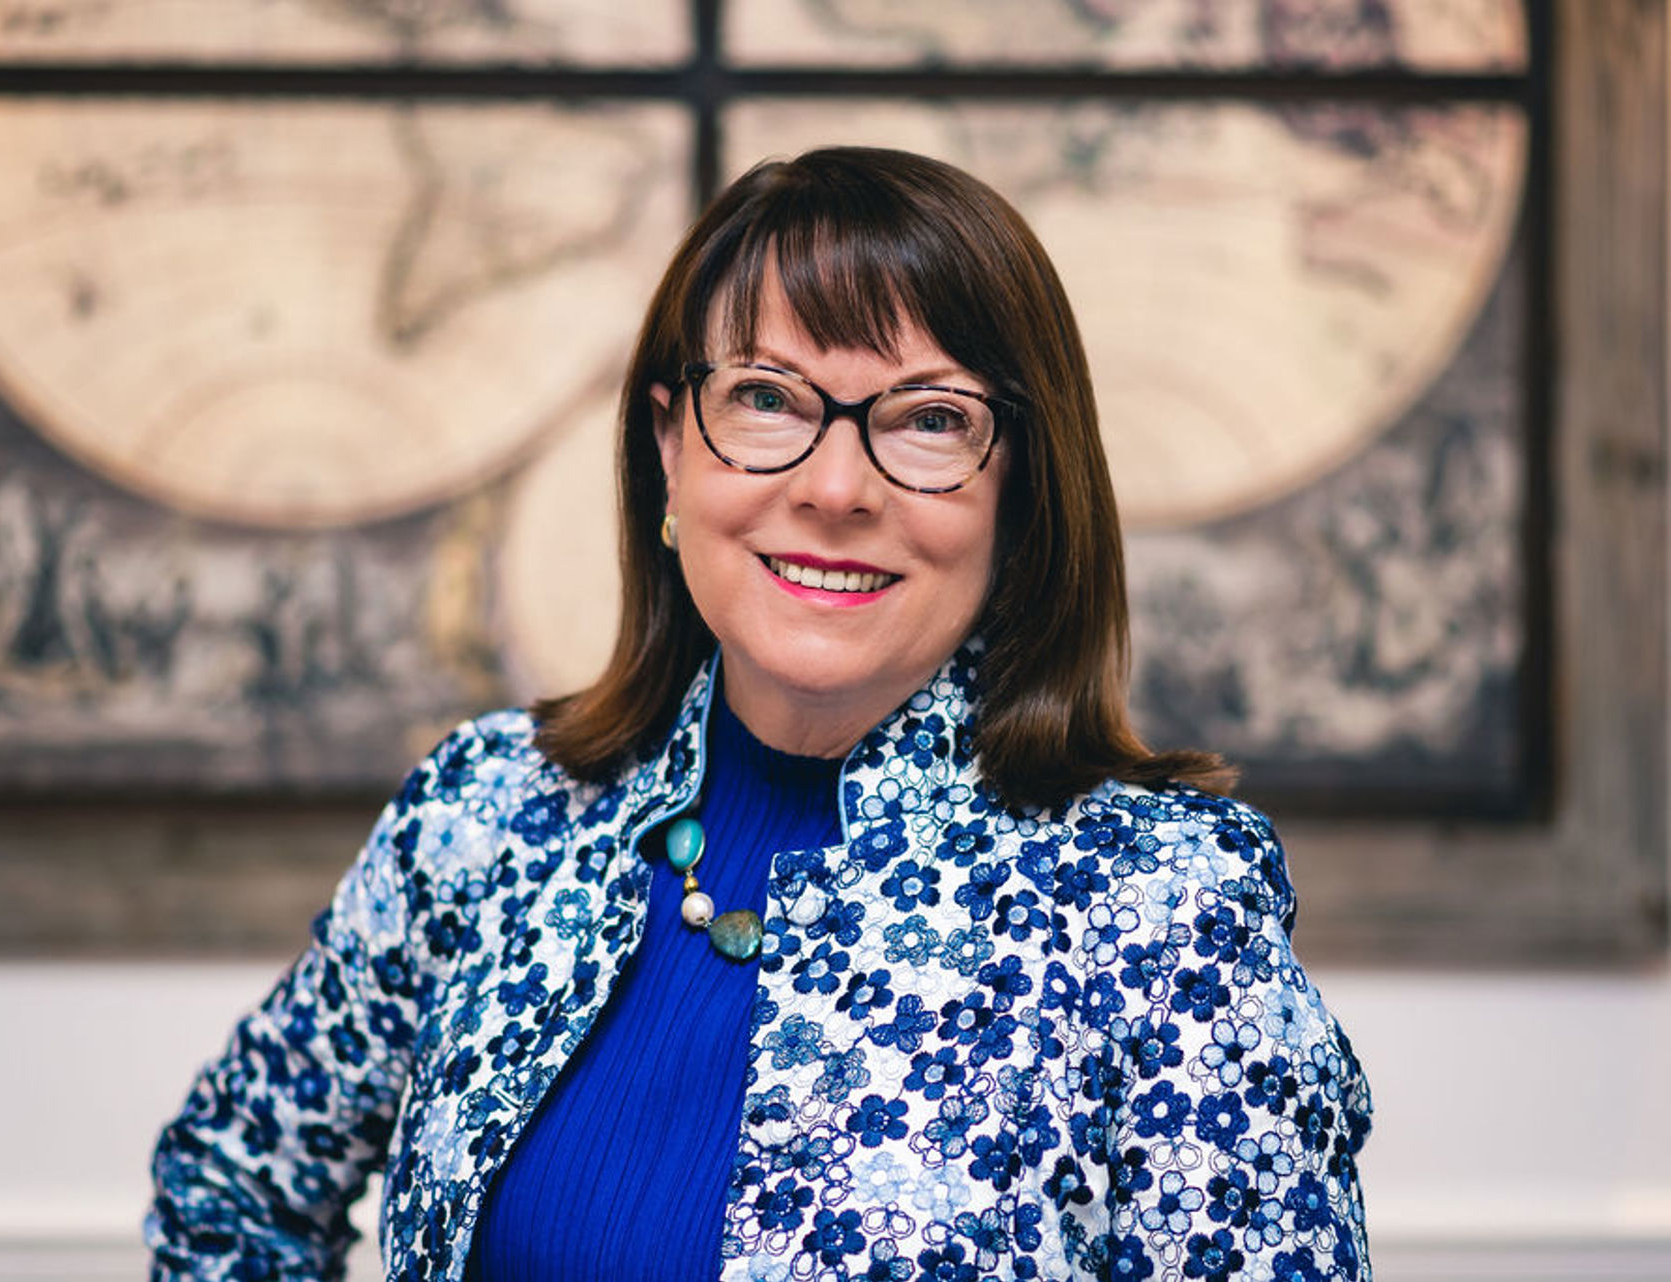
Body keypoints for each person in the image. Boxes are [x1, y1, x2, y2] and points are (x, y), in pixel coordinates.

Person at [147, 146, 1372, 1282]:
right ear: (672, 446)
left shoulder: (1162, 914)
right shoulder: (487, 815)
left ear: (1022, 495)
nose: (836, 487)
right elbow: (227, 1186)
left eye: (931, 420)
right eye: (770, 400)